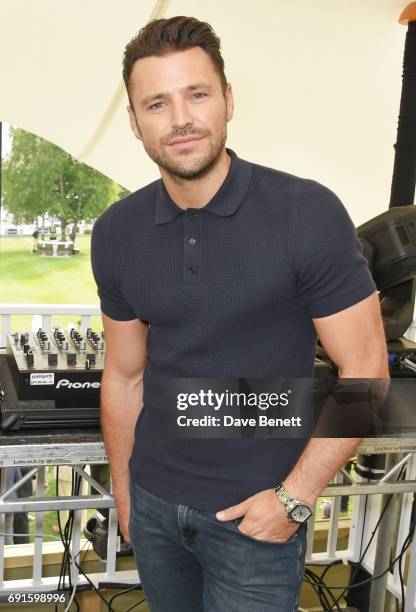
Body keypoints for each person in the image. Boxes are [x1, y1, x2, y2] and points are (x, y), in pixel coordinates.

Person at [91, 16, 389, 612]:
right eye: (156, 103)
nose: (179, 119)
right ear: (134, 122)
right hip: (153, 510)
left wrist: (294, 501)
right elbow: (125, 377)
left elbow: (365, 373)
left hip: (258, 520)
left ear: (227, 100)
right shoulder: (116, 233)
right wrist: (125, 494)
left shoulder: (305, 213)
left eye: (196, 94)